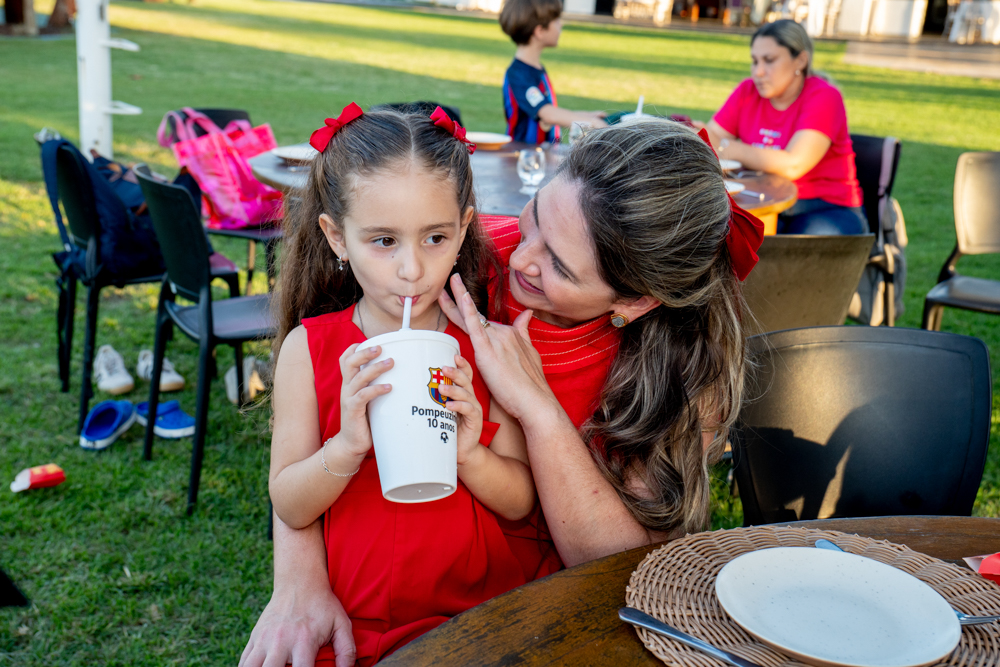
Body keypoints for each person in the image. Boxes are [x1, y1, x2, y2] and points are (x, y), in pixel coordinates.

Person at [240, 120, 764, 667]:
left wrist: (534, 409)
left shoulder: (682, 374)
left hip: (519, 607)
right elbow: (302, 437)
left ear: (634, 303)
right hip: (368, 596)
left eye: (557, 266)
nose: (518, 258)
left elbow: (622, 570)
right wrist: (298, 579)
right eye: (534, 216)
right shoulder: (451, 255)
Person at [265, 103, 538, 666]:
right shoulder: (308, 350)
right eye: (384, 241)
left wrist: (470, 455)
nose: (412, 269)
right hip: (351, 617)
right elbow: (289, 504)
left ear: (464, 229)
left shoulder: (486, 347)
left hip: (478, 612)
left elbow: (519, 502)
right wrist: (344, 448)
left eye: (435, 237)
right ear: (337, 237)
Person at [697, 20, 866, 236]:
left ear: (801, 60)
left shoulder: (824, 97)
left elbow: (794, 165)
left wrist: (725, 147)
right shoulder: (747, 91)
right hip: (759, 199)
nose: (758, 72)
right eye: (755, 61)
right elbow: (711, 138)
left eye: (769, 60)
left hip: (824, 206)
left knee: (790, 254)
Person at [499, 0, 607, 144]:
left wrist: (586, 116)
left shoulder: (537, 69)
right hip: (524, 158)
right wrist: (591, 122)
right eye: (556, 20)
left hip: (542, 155)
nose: (561, 24)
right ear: (540, 31)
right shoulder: (518, 74)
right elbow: (547, 114)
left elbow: (550, 111)